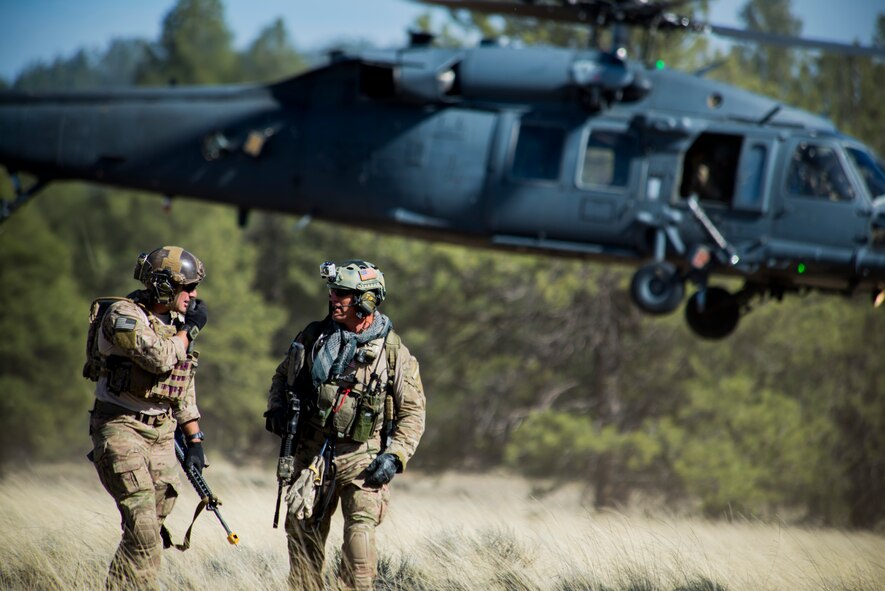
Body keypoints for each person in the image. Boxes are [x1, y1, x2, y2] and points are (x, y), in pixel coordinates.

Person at [265, 259, 426, 591]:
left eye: (343, 293)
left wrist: (394, 456)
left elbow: (413, 412)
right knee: (303, 546)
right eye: (333, 292)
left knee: (360, 548)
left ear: (367, 300)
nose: (334, 298)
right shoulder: (314, 337)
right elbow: (283, 377)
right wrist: (277, 408)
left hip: (363, 458)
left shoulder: (392, 352)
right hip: (313, 457)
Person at [85, 246, 210, 590]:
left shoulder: (174, 323)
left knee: (150, 531)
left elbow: (182, 382)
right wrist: (189, 333)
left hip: (162, 434)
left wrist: (195, 438)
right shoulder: (123, 317)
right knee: (144, 533)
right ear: (164, 286)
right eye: (187, 287)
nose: (194, 295)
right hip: (121, 427)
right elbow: (159, 359)